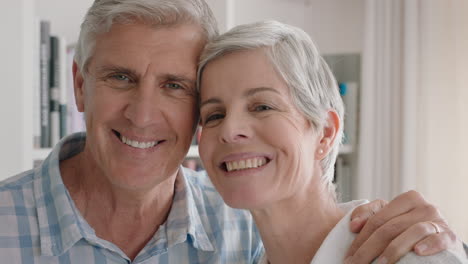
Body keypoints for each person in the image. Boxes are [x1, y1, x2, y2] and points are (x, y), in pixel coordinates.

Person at [0, 0, 464, 263]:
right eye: (120, 77)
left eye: (175, 86)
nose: (142, 115)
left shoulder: (245, 227)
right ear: (80, 87)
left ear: (326, 131)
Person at [197, 20, 468, 264]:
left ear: (325, 133)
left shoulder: (411, 257)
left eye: (262, 106)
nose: (229, 130)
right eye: (214, 115)